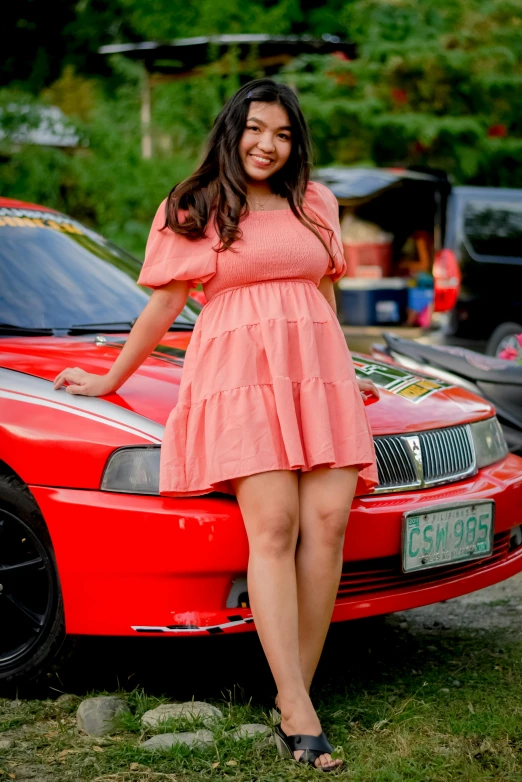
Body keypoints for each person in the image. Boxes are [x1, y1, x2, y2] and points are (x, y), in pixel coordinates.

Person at [53, 78, 379, 772]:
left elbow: (323, 292)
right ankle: (297, 708)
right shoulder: (195, 204)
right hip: (239, 375)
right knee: (275, 528)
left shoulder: (315, 200)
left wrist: (352, 372)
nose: (269, 145)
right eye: (256, 129)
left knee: (327, 526)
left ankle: (297, 694)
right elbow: (165, 305)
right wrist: (110, 378)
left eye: (284, 134)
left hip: (316, 373)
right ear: (232, 130)